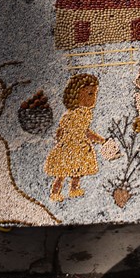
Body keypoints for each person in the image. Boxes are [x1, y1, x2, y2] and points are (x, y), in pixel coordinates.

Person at [44, 73, 106, 202]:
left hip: (76, 146)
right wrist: (99, 139)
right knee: (63, 173)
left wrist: (59, 139)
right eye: (90, 94)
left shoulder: (82, 113)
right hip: (71, 146)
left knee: (76, 171)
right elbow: (83, 132)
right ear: (76, 94)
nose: (94, 98)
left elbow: (64, 131)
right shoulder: (76, 114)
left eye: (95, 94)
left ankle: (73, 190)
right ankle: (56, 192)